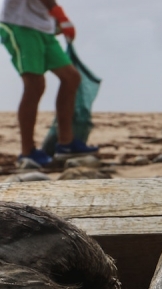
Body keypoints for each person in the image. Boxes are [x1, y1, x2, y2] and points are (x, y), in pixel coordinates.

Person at [0, 0, 98, 168]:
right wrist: (59, 13)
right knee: (34, 85)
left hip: (44, 28)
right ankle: (27, 152)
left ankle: (66, 144)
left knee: (71, 77)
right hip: (19, 24)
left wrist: (55, 21)